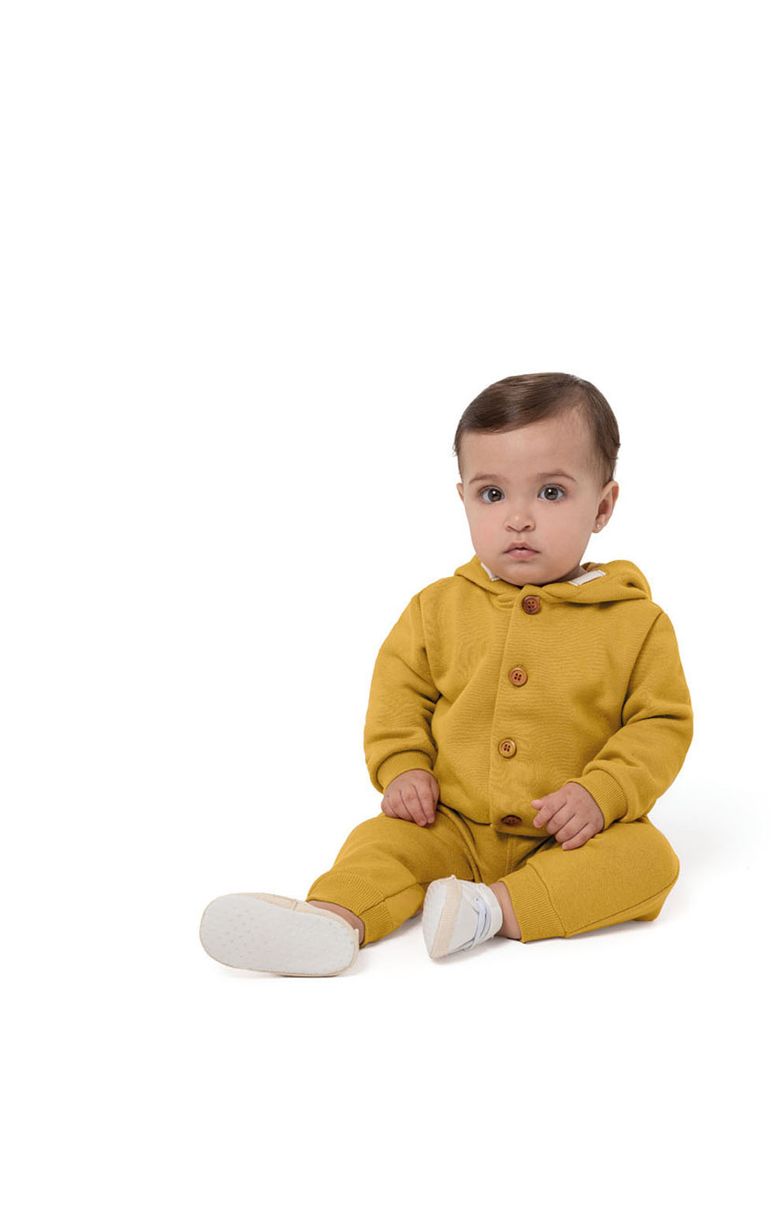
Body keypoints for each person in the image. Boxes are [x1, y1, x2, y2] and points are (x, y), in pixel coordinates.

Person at [199, 371, 693, 976]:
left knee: (649, 860)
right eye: (493, 494)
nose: (518, 518)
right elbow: (399, 696)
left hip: (569, 832)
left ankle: (488, 910)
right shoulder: (438, 609)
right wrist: (403, 766)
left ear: (603, 506)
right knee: (382, 843)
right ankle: (331, 919)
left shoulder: (636, 622)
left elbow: (660, 724)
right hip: (448, 821)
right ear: (463, 499)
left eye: (551, 493)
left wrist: (602, 793)